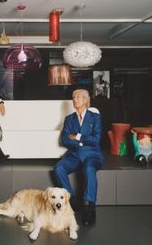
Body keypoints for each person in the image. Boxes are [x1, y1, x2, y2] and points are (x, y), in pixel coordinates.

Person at [54, 89, 103, 226]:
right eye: (73, 97)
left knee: (89, 169)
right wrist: (81, 141)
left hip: (92, 154)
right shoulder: (69, 119)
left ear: (86, 101)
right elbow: (65, 140)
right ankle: (71, 200)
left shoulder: (95, 117)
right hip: (74, 155)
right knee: (58, 168)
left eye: (79, 97)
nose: (75, 99)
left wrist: (78, 137)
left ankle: (90, 208)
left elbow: (96, 139)